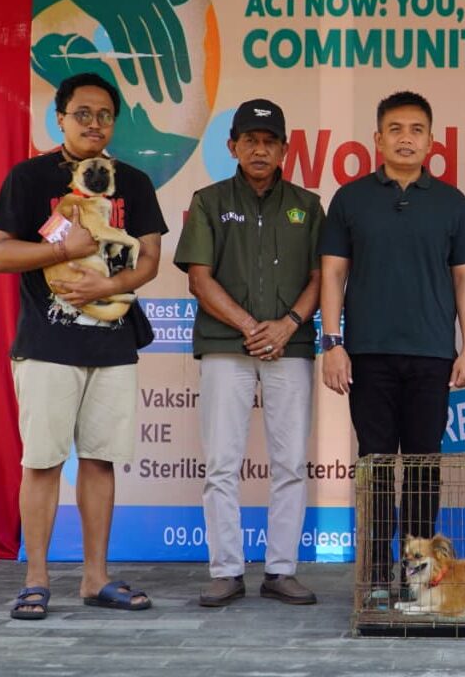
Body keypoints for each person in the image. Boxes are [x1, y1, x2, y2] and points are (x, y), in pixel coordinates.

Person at [0, 72, 167, 619]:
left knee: (100, 461)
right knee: (41, 462)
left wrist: (107, 285)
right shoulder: (29, 176)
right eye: (83, 114)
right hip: (46, 344)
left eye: (105, 115)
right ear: (60, 118)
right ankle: (36, 579)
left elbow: (151, 258)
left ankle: (95, 579)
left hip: (113, 344)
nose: (95, 124)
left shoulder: (133, 181)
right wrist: (65, 246)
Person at [318, 91, 465, 600]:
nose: (405, 138)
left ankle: (417, 578)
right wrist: (332, 342)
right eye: (395, 129)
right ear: (377, 138)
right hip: (368, 353)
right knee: (376, 465)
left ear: (432, 140)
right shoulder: (350, 198)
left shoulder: (451, 202)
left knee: (425, 466)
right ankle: (370, 576)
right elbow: (333, 274)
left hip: (433, 355)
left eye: (415, 129)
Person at [174, 99, 323, 608]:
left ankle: (281, 570)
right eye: (250, 140)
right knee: (221, 463)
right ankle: (226, 570)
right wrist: (249, 327)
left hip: (291, 345)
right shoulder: (209, 200)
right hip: (225, 347)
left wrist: (287, 326)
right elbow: (199, 277)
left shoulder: (308, 203)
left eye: (270, 141)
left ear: (285, 148)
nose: (260, 150)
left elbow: (321, 278)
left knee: (290, 463)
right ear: (232, 145)